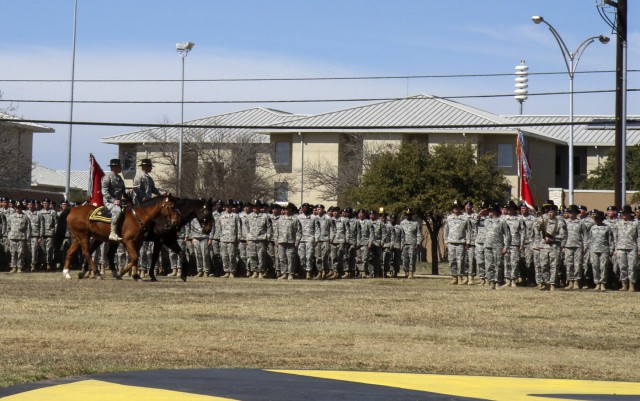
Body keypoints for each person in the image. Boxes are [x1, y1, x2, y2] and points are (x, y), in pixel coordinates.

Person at [482, 204, 511, 290]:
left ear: (495, 212)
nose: (489, 213)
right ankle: (491, 282)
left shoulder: (502, 221)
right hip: (488, 245)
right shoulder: (486, 221)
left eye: (491, 211)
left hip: (498, 246)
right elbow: (475, 221)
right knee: (489, 265)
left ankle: (498, 282)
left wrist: (506, 246)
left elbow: (508, 235)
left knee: (498, 265)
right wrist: (480, 214)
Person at [538, 205, 567, 291]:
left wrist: (552, 238)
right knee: (544, 265)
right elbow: (538, 232)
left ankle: (552, 284)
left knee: (554, 266)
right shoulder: (544, 222)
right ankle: (546, 283)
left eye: (552, 212)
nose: (550, 214)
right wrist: (540, 225)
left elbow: (563, 235)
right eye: (549, 212)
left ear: (555, 213)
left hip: (554, 246)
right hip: (544, 247)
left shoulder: (560, 223)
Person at [101, 158, 128, 241]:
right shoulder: (107, 178)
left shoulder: (119, 178)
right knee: (117, 211)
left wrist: (129, 192)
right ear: (114, 167)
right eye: (119, 167)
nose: (120, 168)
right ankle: (112, 233)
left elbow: (123, 190)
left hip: (119, 201)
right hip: (109, 201)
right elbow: (104, 192)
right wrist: (113, 200)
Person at [273, 203, 301, 280]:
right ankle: (284, 273)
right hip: (281, 241)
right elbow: (276, 231)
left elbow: (298, 232)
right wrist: (276, 241)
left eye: (288, 209)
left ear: (291, 210)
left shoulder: (295, 219)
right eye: (285, 209)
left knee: (291, 258)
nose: (286, 211)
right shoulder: (280, 219)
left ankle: (291, 273)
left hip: (290, 242)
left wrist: (297, 242)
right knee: (282, 258)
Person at [614, 205, 640, 292]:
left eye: (625, 213)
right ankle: (624, 284)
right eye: (622, 213)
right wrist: (615, 248)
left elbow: (639, 237)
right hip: (621, 247)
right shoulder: (618, 223)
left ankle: (632, 285)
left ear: (630, 213)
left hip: (632, 247)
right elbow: (615, 237)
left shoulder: (636, 223)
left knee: (632, 267)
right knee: (622, 267)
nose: (624, 215)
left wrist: (639, 248)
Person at [445, 200, 469, 284]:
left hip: (461, 242)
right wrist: (446, 241)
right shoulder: (449, 218)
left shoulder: (465, 218)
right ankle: (454, 277)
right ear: (452, 208)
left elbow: (468, 231)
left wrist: (468, 241)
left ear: (460, 208)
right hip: (451, 242)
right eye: (454, 207)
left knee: (461, 261)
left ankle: (460, 277)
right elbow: (446, 230)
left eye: (457, 207)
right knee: (452, 261)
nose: (456, 209)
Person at [563, 205, 587, 290]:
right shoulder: (565, 222)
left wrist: (585, 246)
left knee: (577, 265)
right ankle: (570, 281)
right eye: (569, 212)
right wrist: (563, 246)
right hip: (568, 245)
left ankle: (576, 281)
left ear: (576, 213)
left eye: (572, 212)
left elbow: (585, 235)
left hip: (578, 245)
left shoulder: (581, 222)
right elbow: (563, 235)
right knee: (569, 264)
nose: (570, 213)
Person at [588, 211, 614, 291]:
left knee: (603, 266)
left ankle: (603, 283)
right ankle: (597, 283)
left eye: (599, 219)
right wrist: (589, 249)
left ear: (602, 219)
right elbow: (590, 239)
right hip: (594, 249)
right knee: (595, 266)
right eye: (596, 219)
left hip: (604, 249)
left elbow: (610, 240)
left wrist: (611, 249)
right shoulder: (592, 228)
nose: (597, 220)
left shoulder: (607, 228)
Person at [246, 200, 271, 279]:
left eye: (257, 207)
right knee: (252, 256)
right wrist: (247, 237)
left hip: (261, 239)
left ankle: (261, 272)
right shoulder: (249, 216)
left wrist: (268, 237)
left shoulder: (265, 216)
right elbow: (246, 228)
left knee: (261, 256)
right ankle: (254, 271)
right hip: (252, 239)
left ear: (260, 207)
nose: (255, 208)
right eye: (254, 207)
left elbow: (269, 227)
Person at [8, 201, 31, 273]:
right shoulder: (11, 216)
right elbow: (8, 227)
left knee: (21, 253)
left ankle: (19, 267)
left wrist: (27, 237)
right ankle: (14, 267)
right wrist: (8, 236)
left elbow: (28, 228)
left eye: (19, 207)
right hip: (13, 237)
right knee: (13, 252)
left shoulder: (25, 217)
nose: (18, 209)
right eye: (17, 207)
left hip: (21, 238)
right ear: (15, 208)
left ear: (21, 208)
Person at [400, 208, 422, 278]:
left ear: (411, 215)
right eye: (407, 215)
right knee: (405, 259)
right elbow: (400, 234)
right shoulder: (402, 223)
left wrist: (418, 242)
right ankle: (406, 271)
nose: (408, 216)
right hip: (404, 243)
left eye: (409, 215)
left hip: (412, 243)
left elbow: (419, 234)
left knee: (412, 258)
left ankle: (411, 272)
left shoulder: (415, 223)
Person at [39, 198, 57, 271]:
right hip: (42, 234)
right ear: (42, 204)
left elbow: (56, 223)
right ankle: (43, 263)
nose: (45, 204)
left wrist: (55, 232)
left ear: (49, 204)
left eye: (47, 203)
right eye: (44, 203)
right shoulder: (39, 212)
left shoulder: (53, 212)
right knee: (43, 250)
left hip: (50, 233)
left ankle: (48, 263)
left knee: (49, 249)